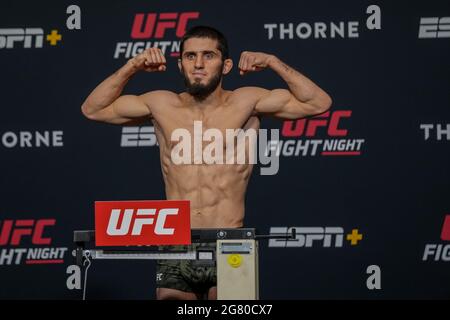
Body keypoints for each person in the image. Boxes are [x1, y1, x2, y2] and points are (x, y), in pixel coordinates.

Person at [81, 25, 332, 300]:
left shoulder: (248, 102)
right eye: (190, 56)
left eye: (208, 56)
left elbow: (318, 103)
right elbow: (93, 109)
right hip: (176, 241)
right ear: (180, 64)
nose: (198, 64)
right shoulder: (161, 104)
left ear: (226, 65)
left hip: (231, 240)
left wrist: (272, 62)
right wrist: (132, 66)